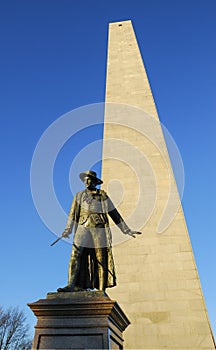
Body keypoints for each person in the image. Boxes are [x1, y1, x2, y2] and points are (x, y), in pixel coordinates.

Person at [57, 170, 141, 292]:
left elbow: (114, 213)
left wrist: (126, 229)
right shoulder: (79, 196)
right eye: (85, 179)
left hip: (99, 227)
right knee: (75, 254)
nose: (86, 181)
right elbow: (72, 214)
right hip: (82, 227)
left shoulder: (102, 195)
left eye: (89, 179)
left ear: (95, 182)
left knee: (100, 257)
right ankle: (71, 284)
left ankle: (101, 289)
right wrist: (67, 229)